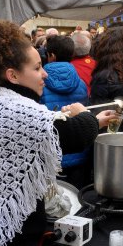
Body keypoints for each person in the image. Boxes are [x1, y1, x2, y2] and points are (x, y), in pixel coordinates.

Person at [0, 19, 116, 246]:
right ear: (12, 75)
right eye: (36, 68)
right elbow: (77, 132)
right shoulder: (11, 108)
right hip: (1, 242)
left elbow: (43, 125)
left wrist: (96, 120)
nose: (44, 74)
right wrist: (85, 114)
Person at [40, 35, 89, 189]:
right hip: (79, 151)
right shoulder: (80, 83)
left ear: (51, 55)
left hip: (52, 154)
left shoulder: (39, 84)